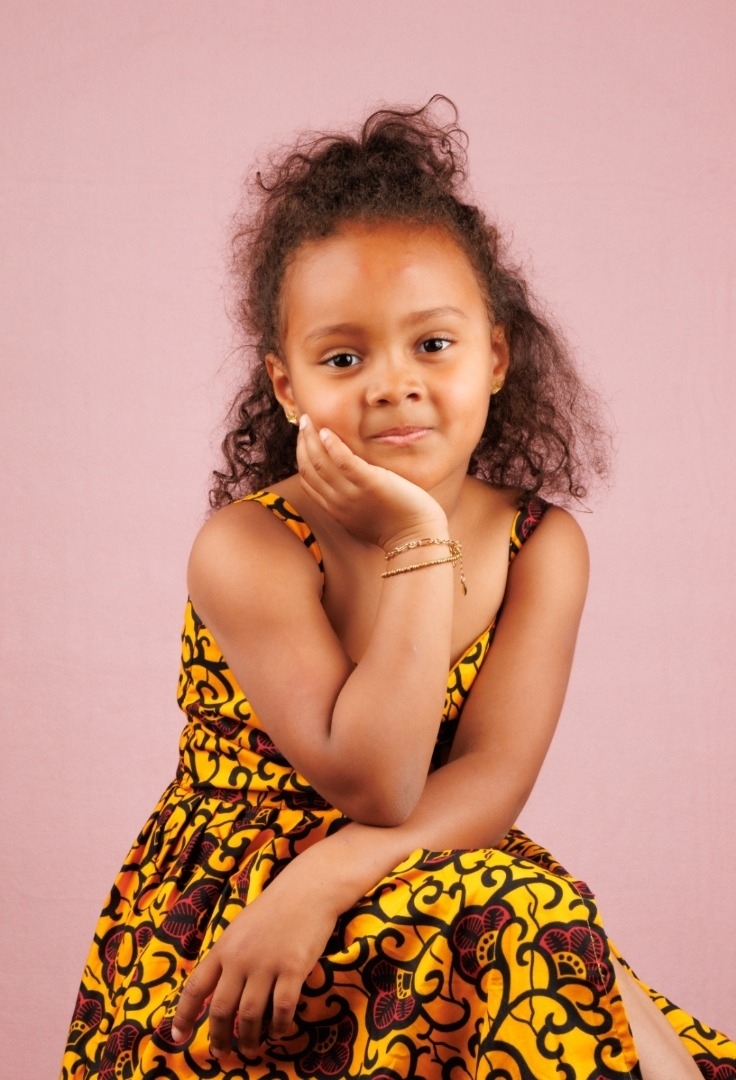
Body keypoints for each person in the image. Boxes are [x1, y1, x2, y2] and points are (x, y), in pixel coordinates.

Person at [61, 99, 735, 1080]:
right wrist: (418, 543)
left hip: (423, 857)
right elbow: (375, 779)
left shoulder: (540, 545)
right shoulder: (250, 546)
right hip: (244, 903)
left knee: (548, 944)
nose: (392, 384)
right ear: (287, 387)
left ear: (494, 356)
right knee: (519, 925)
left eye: (433, 345)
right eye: (343, 358)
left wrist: (334, 874)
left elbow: (491, 776)